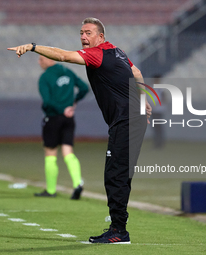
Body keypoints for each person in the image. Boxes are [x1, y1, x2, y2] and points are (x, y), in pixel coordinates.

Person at [8, 17, 152, 244]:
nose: (83, 37)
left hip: (126, 120)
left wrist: (33, 47)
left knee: (115, 175)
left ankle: (118, 231)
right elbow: (137, 73)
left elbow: (63, 55)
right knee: (119, 174)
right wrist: (143, 100)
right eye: (81, 33)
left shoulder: (97, 54)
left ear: (100, 37)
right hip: (132, 118)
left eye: (88, 33)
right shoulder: (117, 51)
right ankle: (118, 228)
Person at [34, 55, 89, 200]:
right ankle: (77, 183)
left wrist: (61, 109)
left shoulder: (45, 77)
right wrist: (73, 104)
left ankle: (51, 190)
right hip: (69, 118)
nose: (39, 62)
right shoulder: (68, 72)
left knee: (50, 153)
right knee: (68, 151)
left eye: (41, 59)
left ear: (49, 59)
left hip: (53, 118)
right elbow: (84, 88)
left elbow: (47, 101)